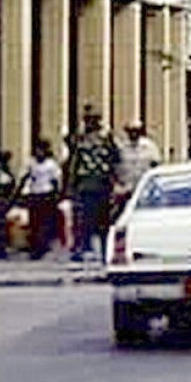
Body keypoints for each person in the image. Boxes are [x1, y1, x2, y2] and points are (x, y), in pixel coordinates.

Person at [64, 105, 119, 263]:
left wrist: (113, 182)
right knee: (83, 220)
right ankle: (81, 249)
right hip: (84, 184)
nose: (90, 123)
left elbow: (114, 160)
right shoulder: (80, 139)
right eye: (87, 120)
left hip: (102, 183)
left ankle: (104, 251)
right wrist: (70, 184)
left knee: (103, 221)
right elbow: (73, 162)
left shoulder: (106, 138)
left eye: (92, 120)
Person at [22, 139, 63, 260]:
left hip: (47, 194)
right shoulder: (31, 163)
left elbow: (56, 180)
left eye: (41, 150)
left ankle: (44, 245)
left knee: (45, 221)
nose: (39, 153)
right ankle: (35, 246)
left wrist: (58, 195)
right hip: (35, 194)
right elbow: (25, 177)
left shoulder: (51, 164)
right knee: (34, 222)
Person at [114, 121, 161, 220]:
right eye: (131, 131)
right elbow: (115, 166)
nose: (133, 134)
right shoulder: (121, 147)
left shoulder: (149, 146)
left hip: (145, 189)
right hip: (126, 188)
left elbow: (155, 165)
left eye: (136, 131)